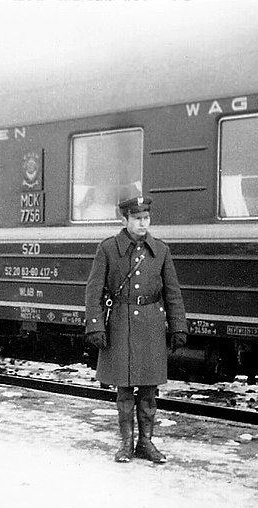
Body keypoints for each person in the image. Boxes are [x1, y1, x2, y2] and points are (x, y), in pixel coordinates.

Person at [84, 195, 188, 463]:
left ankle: (146, 443)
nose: (144, 224)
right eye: (138, 219)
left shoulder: (161, 250)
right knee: (125, 390)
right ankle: (126, 444)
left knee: (149, 390)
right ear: (125, 220)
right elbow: (94, 290)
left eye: (147, 218)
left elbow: (172, 292)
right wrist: (95, 325)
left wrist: (178, 326)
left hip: (151, 325)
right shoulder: (108, 248)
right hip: (120, 324)